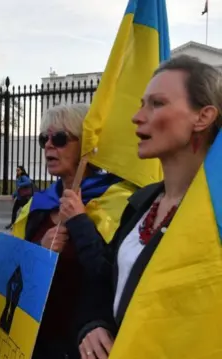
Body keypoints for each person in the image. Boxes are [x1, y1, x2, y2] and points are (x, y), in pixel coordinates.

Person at [69, 56, 222, 359]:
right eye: (142, 103)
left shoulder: (214, 216)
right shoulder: (143, 202)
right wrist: (93, 324)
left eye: (157, 104)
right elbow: (105, 280)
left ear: (203, 117)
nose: (137, 116)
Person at [10, 103, 134, 359]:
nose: (48, 146)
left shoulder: (118, 201)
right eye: (44, 138)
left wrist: (79, 220)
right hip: (36, 339)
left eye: (60, 138)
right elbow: (12, 268)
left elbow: (112, 275)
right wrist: (39, 251)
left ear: (86, 146)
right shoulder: (38, 204)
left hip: (83, 343)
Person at [5, 165, 32, 230]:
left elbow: (29, 182)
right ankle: (13, 224)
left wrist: (20, 184)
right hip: (20, 197)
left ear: (22, 171)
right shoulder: (19, 177)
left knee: (23, 211)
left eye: (18, 170)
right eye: (16, 170)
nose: (17, 171)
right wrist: (14, 194)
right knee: (17, 211)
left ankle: (15, 224)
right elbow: (18, 189)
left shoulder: (23, 177)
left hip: (23, 198)